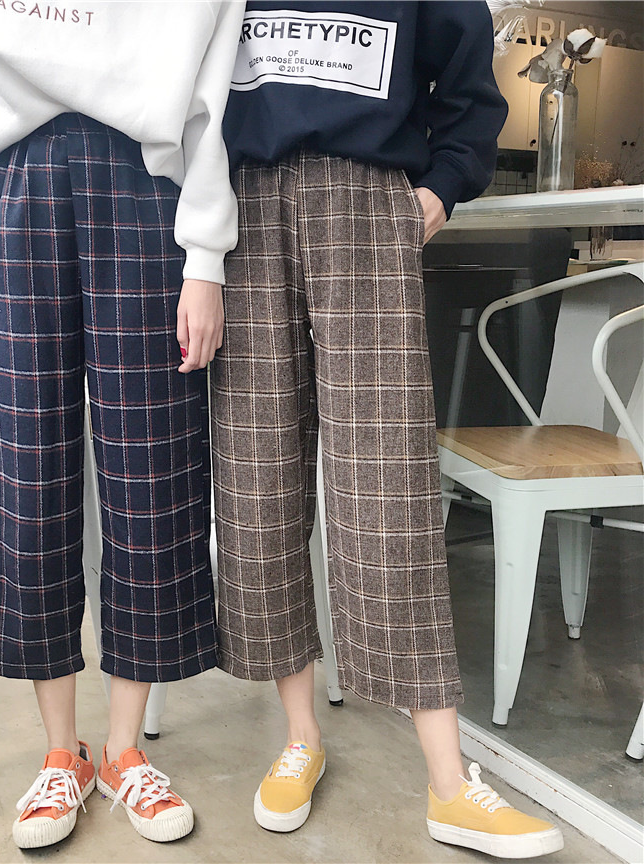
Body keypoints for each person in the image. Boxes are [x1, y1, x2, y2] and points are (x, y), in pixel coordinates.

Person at [0, 0, 243, 849]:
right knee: (21, 466)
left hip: (147, 186)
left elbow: (215, 91)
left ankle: (123, 750)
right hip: (12, 182)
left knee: (154, 471)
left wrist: (206, 256)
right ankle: (59, 751)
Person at [212, 1, 565, 858]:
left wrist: (438, 191)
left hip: (369, 199)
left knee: (388, 489)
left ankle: (448, 784)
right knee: (256, 481)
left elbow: (470, 91)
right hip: (241, 205)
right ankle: (300, 737)